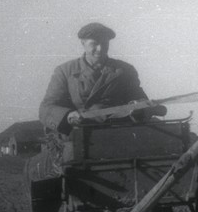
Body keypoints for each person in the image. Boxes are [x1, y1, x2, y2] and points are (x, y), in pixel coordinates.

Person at [27, 22, 148, 181]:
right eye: (94, 44)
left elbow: (140, 98)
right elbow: (46, 107)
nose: (100, 49)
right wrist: (68, 116)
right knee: (70, 167)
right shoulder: (65, 71)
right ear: (83, 44)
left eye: (104, 43)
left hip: (117, 134)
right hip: (79, 135)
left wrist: (138, 107)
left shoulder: (125, 70)